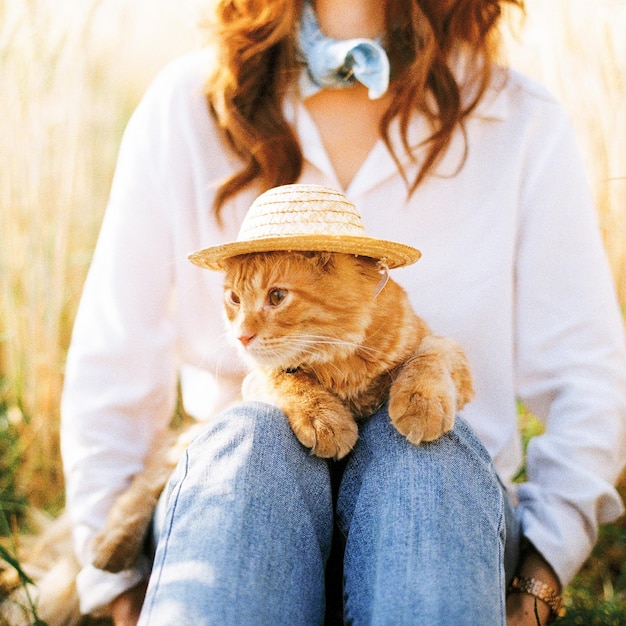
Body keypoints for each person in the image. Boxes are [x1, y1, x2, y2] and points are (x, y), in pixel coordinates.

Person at [60, 0, 626, 624]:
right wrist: (116, 584)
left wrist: (542, 572)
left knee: (423, 453)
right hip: (235, 522)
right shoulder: (185, 106)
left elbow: (588, 373)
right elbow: (111, 362)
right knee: (253, 439)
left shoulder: (517, 118)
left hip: (444, 524)